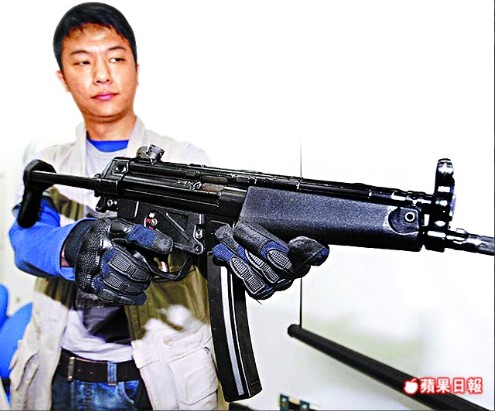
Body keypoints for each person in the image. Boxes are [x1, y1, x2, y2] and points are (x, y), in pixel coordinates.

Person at [8, 3, 329, 410]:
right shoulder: (50, 163)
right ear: (63, 77)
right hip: (61, 375)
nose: (102, 74)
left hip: (161, 382)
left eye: (115, 58)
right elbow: (25, 239)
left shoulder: (185, 161)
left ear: (136, 69)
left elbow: (218, 242)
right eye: (83, 61)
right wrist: (76, 244)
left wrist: (252, 254)